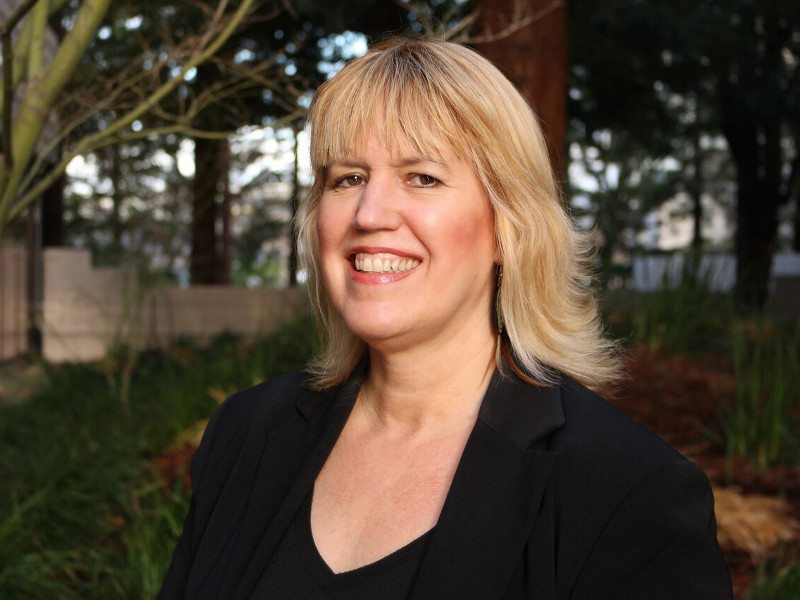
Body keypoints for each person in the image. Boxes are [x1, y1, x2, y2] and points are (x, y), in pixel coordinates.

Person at [158, 37, 732, 599]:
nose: (370, 212)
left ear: (509, 227)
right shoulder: (246, 433)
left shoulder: (625, 491)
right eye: (348, 178)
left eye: (422, 177)